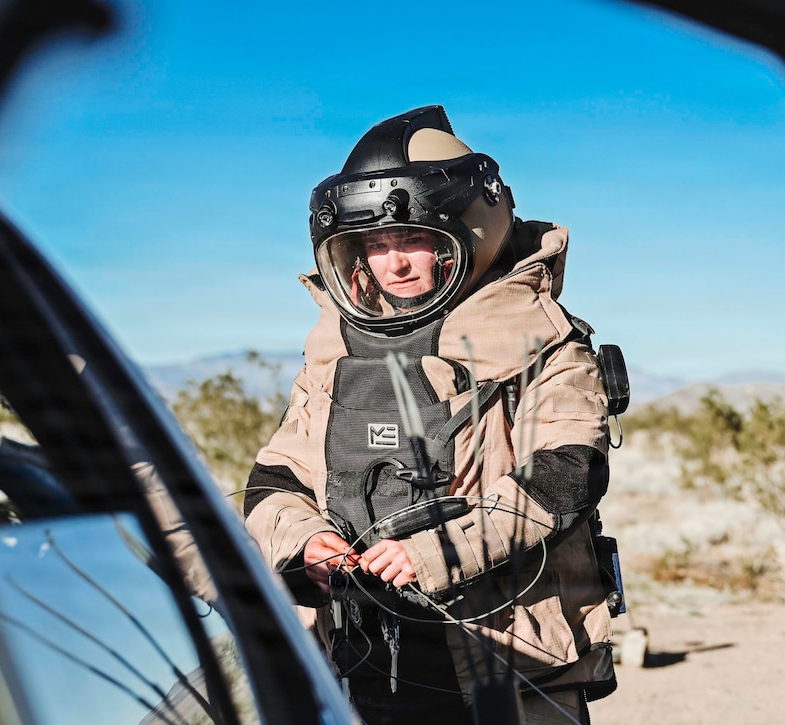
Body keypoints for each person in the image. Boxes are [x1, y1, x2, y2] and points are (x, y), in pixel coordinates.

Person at [242, 105, 615, 724]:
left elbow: (567, 474)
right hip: (353, 662)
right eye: (377, 245)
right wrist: (306, 544)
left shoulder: (546, 345)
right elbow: (273, 479)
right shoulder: (331, 355)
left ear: (472, 231)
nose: (396, 263)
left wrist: (435, 551)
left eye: (414, 238)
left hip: (510, 670)